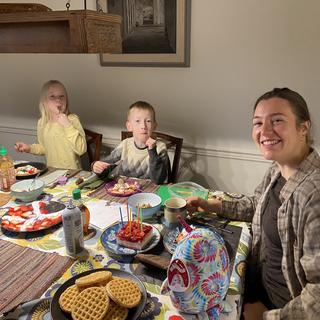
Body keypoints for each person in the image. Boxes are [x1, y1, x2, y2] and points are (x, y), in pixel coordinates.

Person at [187, 88, 320, 320]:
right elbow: (256, 205)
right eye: (258, 123)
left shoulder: (313, 195)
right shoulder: (278, 170)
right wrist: (211, 205)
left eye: (277, 120)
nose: (265, 131)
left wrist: (267, 316)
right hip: (255, 283)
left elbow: (317, 295)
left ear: (303, 128)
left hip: (278, 307)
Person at [14, 80, 86, 169]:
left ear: (66, 99)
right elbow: (44, 148)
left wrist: (67, 125)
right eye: (52, 96)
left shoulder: (72, 119)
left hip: (73, 174)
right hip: (52, 173)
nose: (58, 100)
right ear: (44, 102)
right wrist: (29, 148)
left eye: (61, 96)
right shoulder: (42, 123)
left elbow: (81, 149)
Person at [92, 101, 169, 184]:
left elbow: (159, 180)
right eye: (137, 121)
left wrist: (152, 151)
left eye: (148, 121)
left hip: (149, 193)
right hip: (124, 190)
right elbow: (106, 165)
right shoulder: (125, 144)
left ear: (154, 126)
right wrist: (96, 166)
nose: (143, 126)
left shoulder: (160, 148)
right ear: (129, 126)